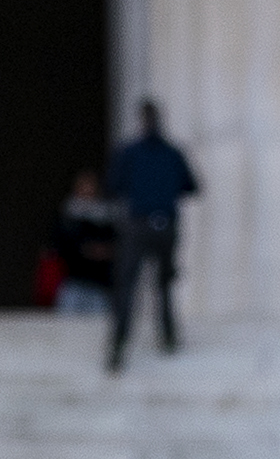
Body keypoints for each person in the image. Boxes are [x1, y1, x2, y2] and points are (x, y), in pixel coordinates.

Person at [105, 98, 201, 372]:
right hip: (164, 225)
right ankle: (167, 338)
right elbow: (191, 186)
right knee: (163, 284)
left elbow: (113, 186)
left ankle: (119, 345)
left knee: (131, 286)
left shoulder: (131, 153)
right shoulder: (172, 153)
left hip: (139, 225)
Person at [46, 168, 118, 319]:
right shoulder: (67, 215)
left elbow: (118, 245)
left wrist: (105, 251)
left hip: (100, 285)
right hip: (73, 282)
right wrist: (83, 249)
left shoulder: (108, 217)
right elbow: (58, 245)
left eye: (90, 185)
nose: (87, 189)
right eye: (83, 185)